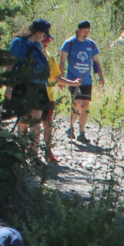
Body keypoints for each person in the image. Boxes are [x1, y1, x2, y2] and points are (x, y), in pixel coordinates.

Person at [4, 20, 54, 143]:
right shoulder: (18, 43)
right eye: (44, 34)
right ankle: (22, 147)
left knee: (37, 118)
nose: (44, 38)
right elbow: (10, 65)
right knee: (24, 118)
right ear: (37, 32)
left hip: (39, 85)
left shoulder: (38, 45)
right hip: (23, 83)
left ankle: (34, 153)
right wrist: (8, 87)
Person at [60, 20, 105, 144]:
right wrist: (61, 79)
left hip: (87, 80)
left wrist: (100, 76)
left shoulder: (91, 44)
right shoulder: (69, 43)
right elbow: (62, 61)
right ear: (79, 30)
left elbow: (95, 61)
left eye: (88, 32)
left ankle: (81, 132)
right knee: (77, 102)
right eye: (84, 31)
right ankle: (71, 126)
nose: (86, 34)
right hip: (72, 79)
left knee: (85, 105)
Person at [42, 35, 81, 163]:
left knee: (48, 124)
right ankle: (32, 151)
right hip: (33, 95)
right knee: (33, 124)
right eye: (43, 42)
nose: (45, 44)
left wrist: (73, 83)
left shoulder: (50, 58)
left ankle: (48, 152)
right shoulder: (30, 57)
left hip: (48, 97)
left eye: (46, 43)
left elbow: (57, 77)